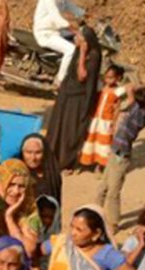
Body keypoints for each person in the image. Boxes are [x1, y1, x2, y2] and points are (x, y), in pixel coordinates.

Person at [43, 205, 145, 270]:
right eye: (72, 226)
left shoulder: (107, 255)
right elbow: (33, 253)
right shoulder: (62, 242)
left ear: (96, 234)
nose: (73, 233)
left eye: (79, 229)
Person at [44, 24, 101, 172]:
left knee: (70, 131)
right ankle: (51, 157)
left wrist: (82, 54)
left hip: (78, 98)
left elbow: (82, 76)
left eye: (79, 38)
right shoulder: (77, 50)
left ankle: (66, 162)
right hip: (67, 93)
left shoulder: (93, 55)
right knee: (58, 126)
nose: (76, 39)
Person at [97, 85, 145, 230]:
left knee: (113, 192)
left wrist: (131, 88)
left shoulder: (141, 115)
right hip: (115, 152)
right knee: (103, 187)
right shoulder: (136, 108)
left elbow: (130, 94)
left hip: (121, 155)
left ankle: (113, 223)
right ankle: (95, 213)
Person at [0, 159, 43, 259]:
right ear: (1, 183)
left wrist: (9, 218)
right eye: (11, 184)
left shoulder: (29, 209)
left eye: (21, 186)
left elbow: (28, 251)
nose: (16, 191)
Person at [78, 64, 126, 169]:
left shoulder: (118, 91)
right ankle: (85, 162)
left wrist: (114, 122)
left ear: (117, 78)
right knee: (91, 140)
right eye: (106, 77)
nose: (108, 80)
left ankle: (100, 166)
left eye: (111, 77)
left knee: (103, 143)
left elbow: (117, 108)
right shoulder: (101, 88)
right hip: (95, 119)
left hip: (106, 120)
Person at [32, 0, 84, 86]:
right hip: (44, 33)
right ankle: (60, 80)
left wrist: (86, 15)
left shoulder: (61, 1)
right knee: (71, 50)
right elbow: (56, 18)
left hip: (55, 31)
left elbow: (73, 8)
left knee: (77, 37)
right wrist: (75, 31)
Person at [20, 131, 61, 205]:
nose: (33, 158)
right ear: (22, 153)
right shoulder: (16, 173)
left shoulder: (52, 175)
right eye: (29, 152)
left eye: (38, 152)